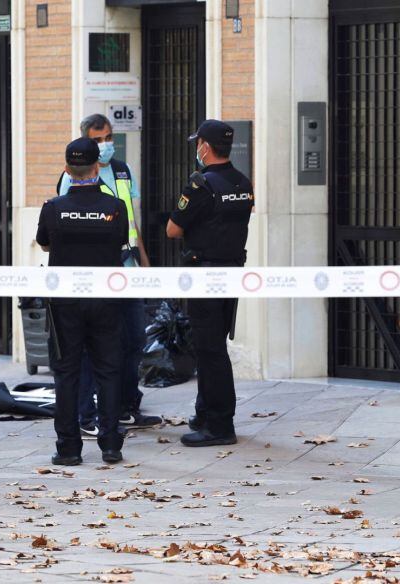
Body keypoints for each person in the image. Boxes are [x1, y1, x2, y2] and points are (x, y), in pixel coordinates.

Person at [56, 114, 162, 439]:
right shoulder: (72, 177)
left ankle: (127, 406)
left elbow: (132, 219)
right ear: (87, 141)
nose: (105, 145)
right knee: (93, 346)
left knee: (134, 340)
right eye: (98, 139)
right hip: (92, 275)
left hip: (127, 268)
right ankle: (87, 414)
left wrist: (144, 261)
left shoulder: (123, 171)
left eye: (108, 137)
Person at [37, 137, 129, 465]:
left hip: (65, 302)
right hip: (105, 298)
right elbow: (121, 241)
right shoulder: (115, 208)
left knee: (66, 372)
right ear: (97, 167)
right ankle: (110, 444)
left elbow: (45, 245)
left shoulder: (53, 208)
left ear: (66, 169)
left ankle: (68, 448)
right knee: (108, 370)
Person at [166, 120, 254, 447]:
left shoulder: (201, 185)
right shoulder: (243, 182)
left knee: (210, 350)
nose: (196, 148)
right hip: (232, 273)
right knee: (214, 346)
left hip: (204, 274)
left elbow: (173, 230)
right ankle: (204, 413)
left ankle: (219, 424)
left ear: (205, 146)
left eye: (198, 143)